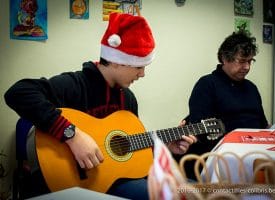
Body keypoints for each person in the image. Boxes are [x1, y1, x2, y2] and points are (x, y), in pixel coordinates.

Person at [4, 13, 197, 199]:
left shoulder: (128, 99)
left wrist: (162, 147)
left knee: (197, 189)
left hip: (117, 179)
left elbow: (127, 152)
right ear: (115, 61)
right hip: (78, 184)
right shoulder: (75, 85)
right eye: (138, 67)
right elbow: (18, 92)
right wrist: (72, 135)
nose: (142, 74)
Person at [174, 30, 269, 180]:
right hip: (220, 159)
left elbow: (263, 125)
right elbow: (200, 132)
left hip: (253, 155)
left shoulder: (251, 88)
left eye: (250, 61)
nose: (247, 67)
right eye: (241, 61)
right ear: (225, 58)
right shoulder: (207, 85)